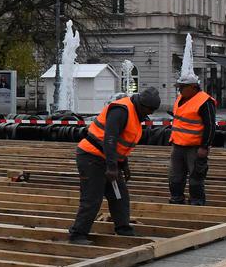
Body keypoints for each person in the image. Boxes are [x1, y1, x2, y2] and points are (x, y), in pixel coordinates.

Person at [67, 87, 161, 245]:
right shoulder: (121, 110)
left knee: (119, 195)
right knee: (92, 197)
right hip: (92, 157)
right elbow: (109, 139)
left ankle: (123, 228)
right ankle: (77, 234)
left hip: (109, 159)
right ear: (142, 104)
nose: (150, 113)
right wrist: (112, 167)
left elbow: (120, 143)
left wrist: (123, 164)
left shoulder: (135, 113)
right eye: (149, 109)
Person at [168, 71, 215, 206]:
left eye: (183, 87)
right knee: (175, 175)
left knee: (196, 176)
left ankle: (197, 202)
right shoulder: (180, 99)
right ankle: (176, 199)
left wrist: (204, 146)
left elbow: (210, 126)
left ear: (193, 87)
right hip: (178, 145)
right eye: (179, 87)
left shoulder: (204, 101)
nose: (180, 89)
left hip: (194, 147)